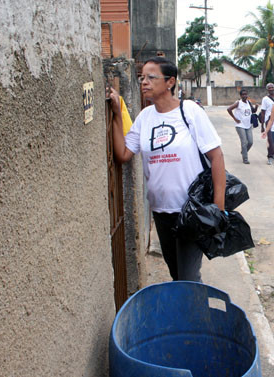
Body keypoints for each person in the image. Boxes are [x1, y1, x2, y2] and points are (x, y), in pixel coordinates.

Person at [108, 57, 226, 282]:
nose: (144, 82)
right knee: (176, 273)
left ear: (170, 82)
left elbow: (216, 156)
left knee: (188, 277)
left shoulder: (189, 111)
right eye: (142, 77)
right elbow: (123, 154)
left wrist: (218, 209)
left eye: (151, 77)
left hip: (192, 211)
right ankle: (189, 313)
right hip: (161, 211)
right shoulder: (145, 118)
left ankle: (196, 315)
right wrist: (115, 115)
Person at [227, 89, 257, 164]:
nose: (244, 96)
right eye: (243, 94)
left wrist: (256, 107)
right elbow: (229, 109)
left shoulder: (248, 102)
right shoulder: (238, 103)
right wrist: (235, 118)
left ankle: (244, 151)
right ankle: (245, 159)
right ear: (240, 96)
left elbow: (253, 111)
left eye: (245, 94)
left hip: (248, 125)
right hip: (240, 125)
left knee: (250, 142)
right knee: (244, 142)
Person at [259, 82, 274, 165]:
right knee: (270, 139)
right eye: (269, 88)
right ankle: (270, 156)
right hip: (269, 120)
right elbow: (263, 112)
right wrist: (262, 126)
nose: (271, 89)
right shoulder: (265, 99)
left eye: (272, 87)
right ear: (267, 89)